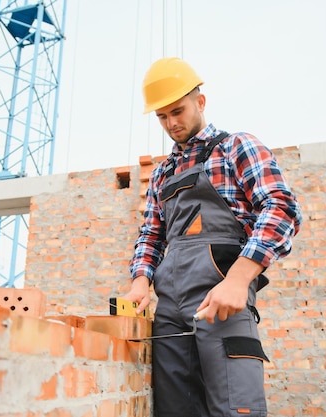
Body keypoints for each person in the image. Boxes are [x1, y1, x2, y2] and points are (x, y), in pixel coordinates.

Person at [125, 57, 302, 417]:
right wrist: (140, 283)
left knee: (235, 410)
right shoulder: (162, 174)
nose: (172, 123)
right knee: (176, 411)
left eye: (178, 111)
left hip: (222, 302)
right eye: (162, 117)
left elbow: (281, 208)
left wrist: (237, 281)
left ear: (200, 102)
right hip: (170, 311)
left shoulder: (236, 147)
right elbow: (151, 236)